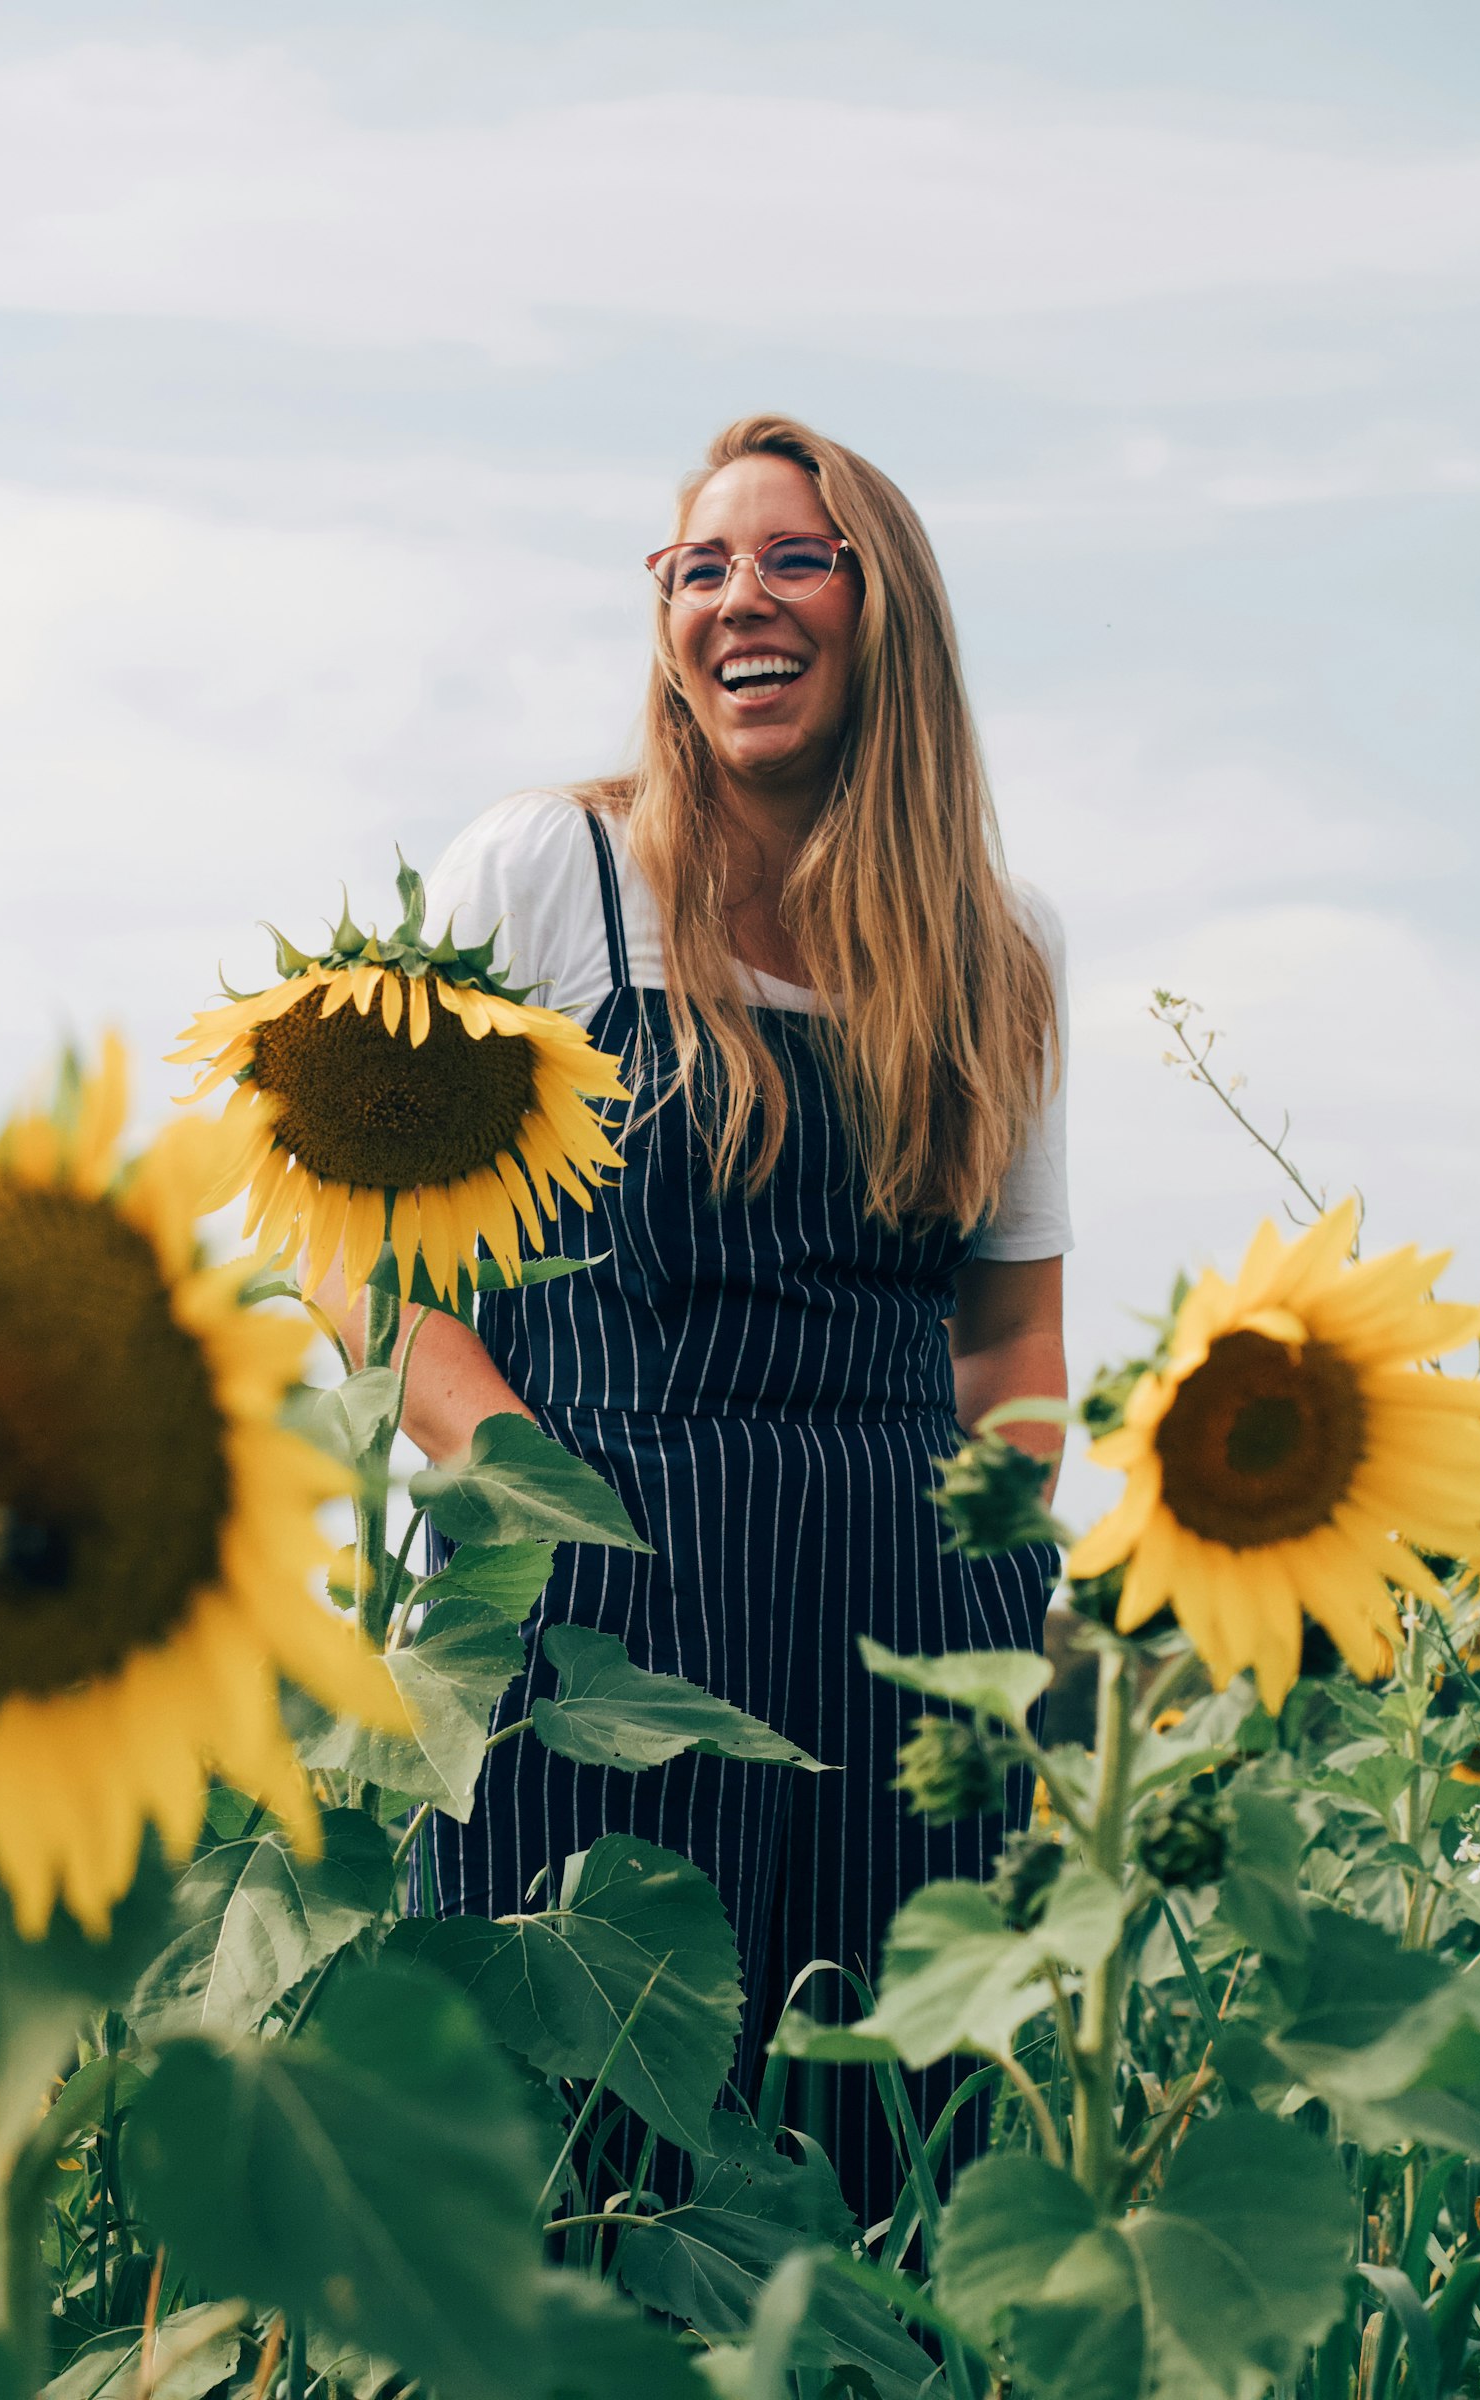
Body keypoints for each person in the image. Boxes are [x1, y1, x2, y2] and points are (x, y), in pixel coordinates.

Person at [401, 415, 1069, 2225]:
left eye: (793, 558)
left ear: (884, 608)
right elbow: (384, 1281)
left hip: (907, 1625)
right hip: (594, 1617)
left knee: (889, 2174)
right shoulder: (542, 873)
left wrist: (1005, 1601)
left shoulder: (995, 947)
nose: (739, 601)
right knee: (570, 2168)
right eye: (701, 566)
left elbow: (1012, 1347)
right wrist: (527, 1493)